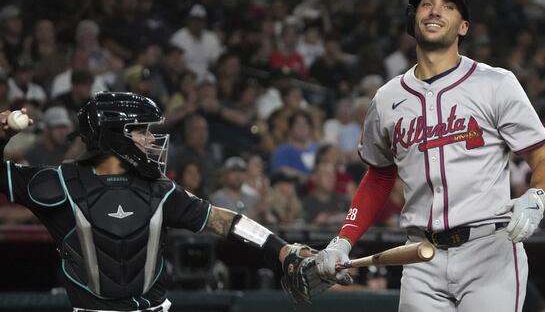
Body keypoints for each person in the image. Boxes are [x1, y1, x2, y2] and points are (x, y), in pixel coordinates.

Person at [313, 0, 545, 311]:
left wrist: (536, 197)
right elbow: (380, 175)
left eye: (448, 6)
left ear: (463, 27)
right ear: (413, 18)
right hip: (420, 257)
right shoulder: (387, 99)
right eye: (426, 4)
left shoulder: (496, 84)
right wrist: (343, 240)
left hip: (489, 251)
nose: (434, 11)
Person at [0, 92, 314, 312]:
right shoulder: (59, 183)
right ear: (113, 137)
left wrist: (281, 249)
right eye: (142, 131)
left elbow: (225, 221)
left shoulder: (160, 189)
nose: (152, 140)